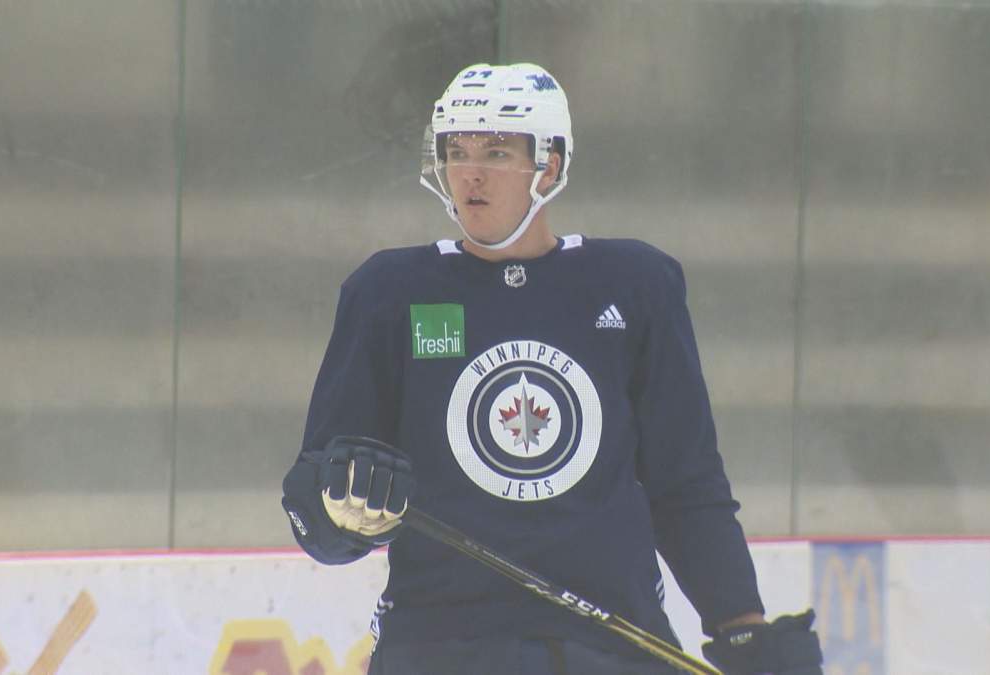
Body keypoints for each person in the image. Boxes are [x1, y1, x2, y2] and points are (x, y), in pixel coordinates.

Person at [281, 63, 823, 675]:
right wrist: (341, 508)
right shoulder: (388, 292)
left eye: (496, 150)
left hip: (613, 646)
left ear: (552, 164)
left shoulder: (634, 284)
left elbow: (686, 483)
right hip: (440, 647)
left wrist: (741, 629)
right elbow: (314, 506)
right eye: (456, 150)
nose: (472, 172)